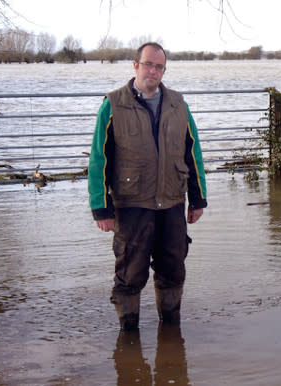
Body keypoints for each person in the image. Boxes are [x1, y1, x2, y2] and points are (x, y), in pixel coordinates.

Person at [88, 42, 207, 330]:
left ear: (164, 70)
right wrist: (101, 207)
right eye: (147, 64)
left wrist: (198, 199)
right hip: (131, 205)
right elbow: (98, 158)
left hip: (172, 203)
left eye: (159, 66)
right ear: (135, 66)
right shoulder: (113, 104)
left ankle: (171, 332)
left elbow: (193, 154)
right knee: (130, 273)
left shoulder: (179, 104)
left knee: (173, 269)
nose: (152, 70)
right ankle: (128, 334)